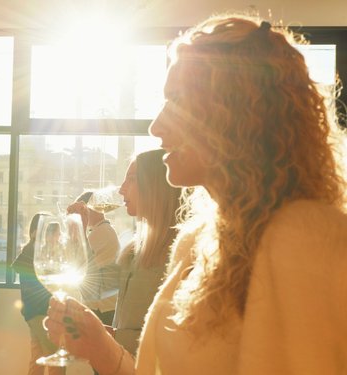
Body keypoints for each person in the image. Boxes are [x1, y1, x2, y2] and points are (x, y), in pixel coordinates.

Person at [45, 14, 347, 374]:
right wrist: (98, 346)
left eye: (177, 100)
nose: (157, 126)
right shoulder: (197, 241)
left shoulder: (307, 235)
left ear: (235, 113)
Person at [112, 149, 181, 356]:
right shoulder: (134, 250)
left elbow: (174, 339)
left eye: (131, 180)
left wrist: (113, 338)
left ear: (156, 187)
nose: (121, 190)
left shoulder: (179, 255)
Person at [11, 213, 64, 375]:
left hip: (36, 311)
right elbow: (18, 267)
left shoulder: (41, 252)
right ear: (36, 232)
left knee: (38, 357)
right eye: (51, 233)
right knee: (55, 358)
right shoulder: (33, 251)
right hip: (39, 311)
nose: (57, 237)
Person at [68, 191, 120, 326]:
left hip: (101, 308)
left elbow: (78, 264)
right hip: (101, 305)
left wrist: (76, 230)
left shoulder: (101, 232)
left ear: (89, 209)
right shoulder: (102, 230)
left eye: (81, 211)